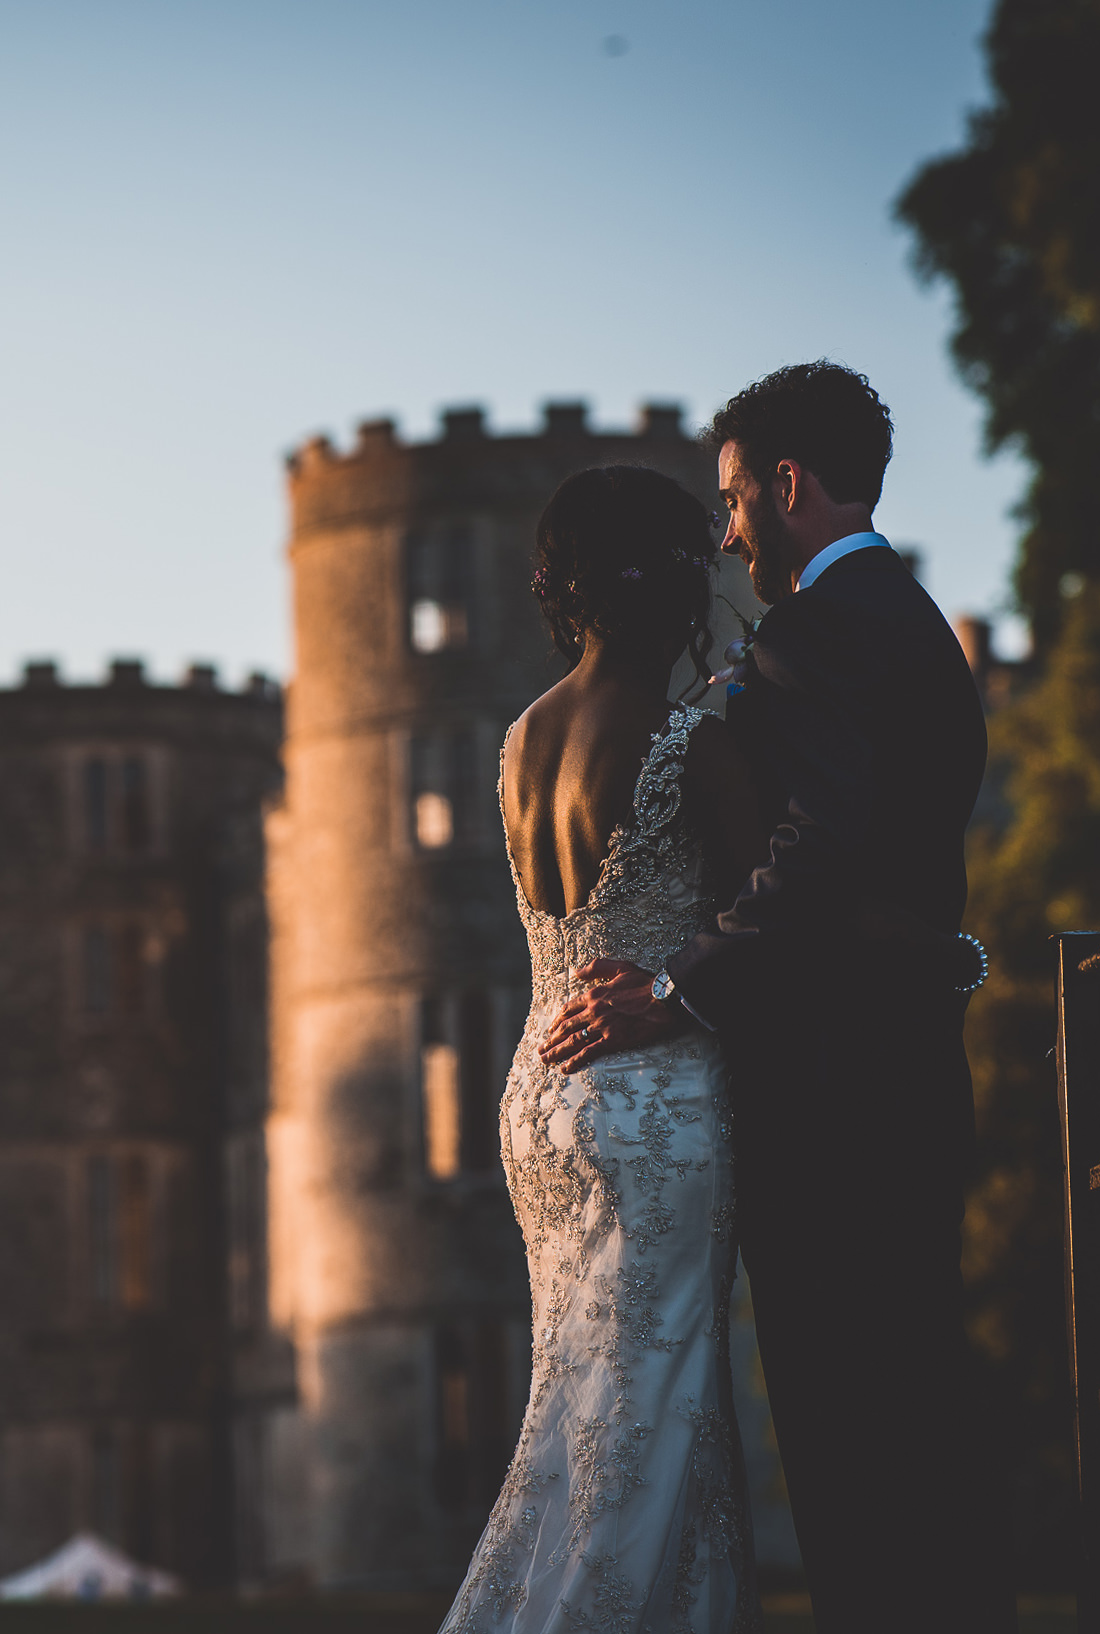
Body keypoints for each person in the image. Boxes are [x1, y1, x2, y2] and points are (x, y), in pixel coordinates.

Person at [539, 362, 1014, 1633]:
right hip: (901, 1071)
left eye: (738, 496)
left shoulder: (817, 635)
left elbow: (812, 855)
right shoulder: (905, 617)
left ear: (790, 484)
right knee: (913, 1415)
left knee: (851, 1437)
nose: (730, 529)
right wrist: (943, 956)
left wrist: (676, 988)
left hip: (834, 1093)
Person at [439, 463, 767, 1632]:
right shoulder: (696, 744)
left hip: (536, 1092)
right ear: (680, 582)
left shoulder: (519, 738)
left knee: (578, 1409)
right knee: (657, 1406)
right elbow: (764, 927)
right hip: (652, 1098)